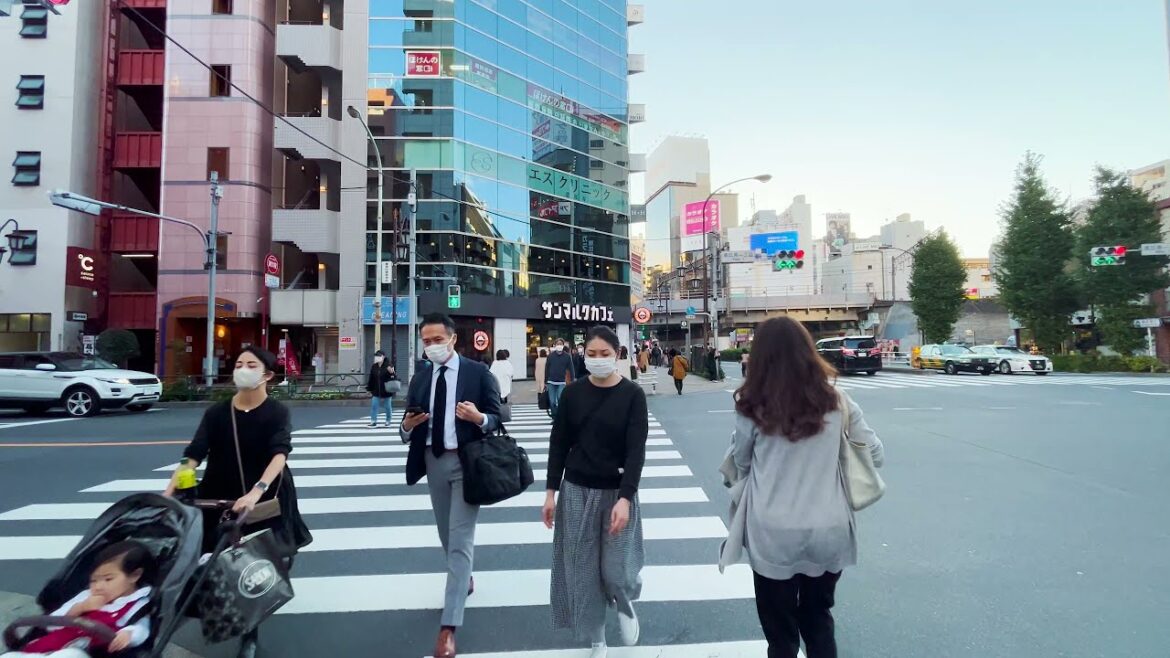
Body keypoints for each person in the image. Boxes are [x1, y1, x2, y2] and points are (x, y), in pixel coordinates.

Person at [719, 317, 884, 658]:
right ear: (808, 351)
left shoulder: (751, 405)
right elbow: (874, 453)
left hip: (772, 532)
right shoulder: (837, 401)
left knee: (781, 636)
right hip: (829, 527)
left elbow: (744, 464)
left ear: (761, 356)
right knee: (818, 619)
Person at [164, 346, 312, 658]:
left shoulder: (276, 412)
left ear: (267, 375)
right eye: (239, 363)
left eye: (251, 364)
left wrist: (256, 492)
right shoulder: (217, 412)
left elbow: (279, 454)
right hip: (219, 490)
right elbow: (194, 454)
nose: (242, 368)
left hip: (264, 494)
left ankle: (250, 634)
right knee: (213, 557)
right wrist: (171, 489)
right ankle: (196, 614)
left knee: (252, 562)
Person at [399, 314, 502, 658]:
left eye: (437, 340)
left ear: (453, 339)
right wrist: (407, 426)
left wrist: (479, 418)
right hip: (432, 462)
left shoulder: (477, 373)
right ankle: (464, 579)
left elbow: (499, 415)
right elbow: (406, 426)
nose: (432, 347)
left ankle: (449, 627)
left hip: (466, 462)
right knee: (446, 534)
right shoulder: (421, 377)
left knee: (460, 540)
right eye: (426, 342)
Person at [543, 326, 648, 658]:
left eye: (605, 354)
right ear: (582, 355)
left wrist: (626, 498)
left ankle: (624, 600)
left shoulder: (633, 395)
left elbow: (636, 451)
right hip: (576, 491)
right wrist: (549, 492)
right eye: (592, 354)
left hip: (617, 492)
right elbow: (558, 443)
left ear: (617, 355)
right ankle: (598, 639)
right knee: (584, 570)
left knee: (616, 566)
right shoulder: (573, 394)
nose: (599, 360)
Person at [8, 541, 155, 657]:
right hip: (48, 647)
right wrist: (80, 608)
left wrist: (129, 633)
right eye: (93, 580)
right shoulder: (86, 596)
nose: (98, 587)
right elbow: (51, 623)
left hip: (86, 653)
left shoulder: (137, 604)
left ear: (134, 575)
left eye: (108, 579)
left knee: (69, 655)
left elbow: (142, 627)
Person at [366, 349, 398, 427]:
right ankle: (373, 421)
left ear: (383, 357)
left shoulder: (389, 366)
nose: (377, 357)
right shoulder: (374, 366)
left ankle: (388, 420)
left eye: (379, 356)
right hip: (376, 390)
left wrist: (392, 373)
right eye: (376, 356)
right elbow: (371, 378)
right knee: (374, 406)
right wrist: (369, 389)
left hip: (386, 390)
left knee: (387, 407)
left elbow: (394, 378)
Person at [544, 339, 575, 417]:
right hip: (551, 381)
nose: (559, 345)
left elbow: (571, 368)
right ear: (554, 345)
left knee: (560, 398)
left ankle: (559, 417)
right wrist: (545, 381)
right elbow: (547, 368)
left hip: (562, 382)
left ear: (563, 345)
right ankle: (554, 416)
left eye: (561, 344)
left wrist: (572, 379)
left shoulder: (567, 356)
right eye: (557, 344)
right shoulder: (550, 356)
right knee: (552, 401)